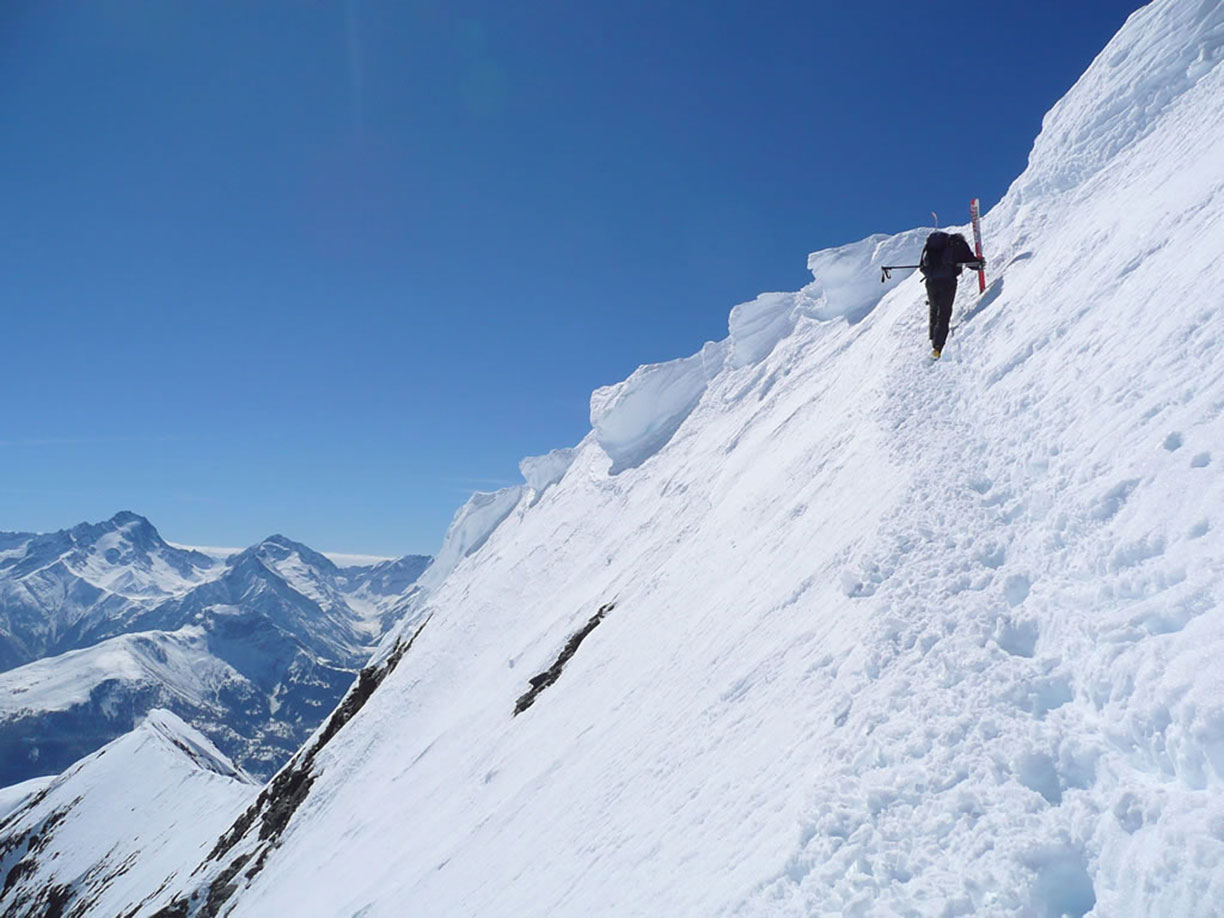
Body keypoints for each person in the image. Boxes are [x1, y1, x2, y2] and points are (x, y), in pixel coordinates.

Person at [919, 231, 985, 358]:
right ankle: (938, 347)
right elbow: (970, 261)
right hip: (947, 282)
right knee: (944, 312)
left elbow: (923, 264)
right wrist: (980, 264)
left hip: (931, 281)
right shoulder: (958, 244)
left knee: (934, 308)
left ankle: (932, 337)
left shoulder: (932, 246)